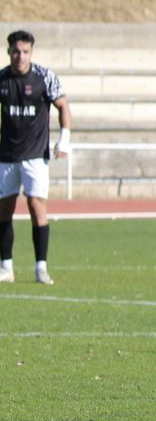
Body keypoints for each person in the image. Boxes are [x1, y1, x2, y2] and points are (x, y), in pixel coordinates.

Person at [0, 30, 71, 285]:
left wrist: (64, 139)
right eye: (16, 52)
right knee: (3, 210)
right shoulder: (2, 79)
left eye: (25, 52)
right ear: (9, 51)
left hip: (35, 155)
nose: (20, 56)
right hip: (6, 156)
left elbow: (63, 105)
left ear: (31, 52)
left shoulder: (44, 77)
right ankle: (6, 268)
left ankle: (41, 268)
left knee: (36, 205)